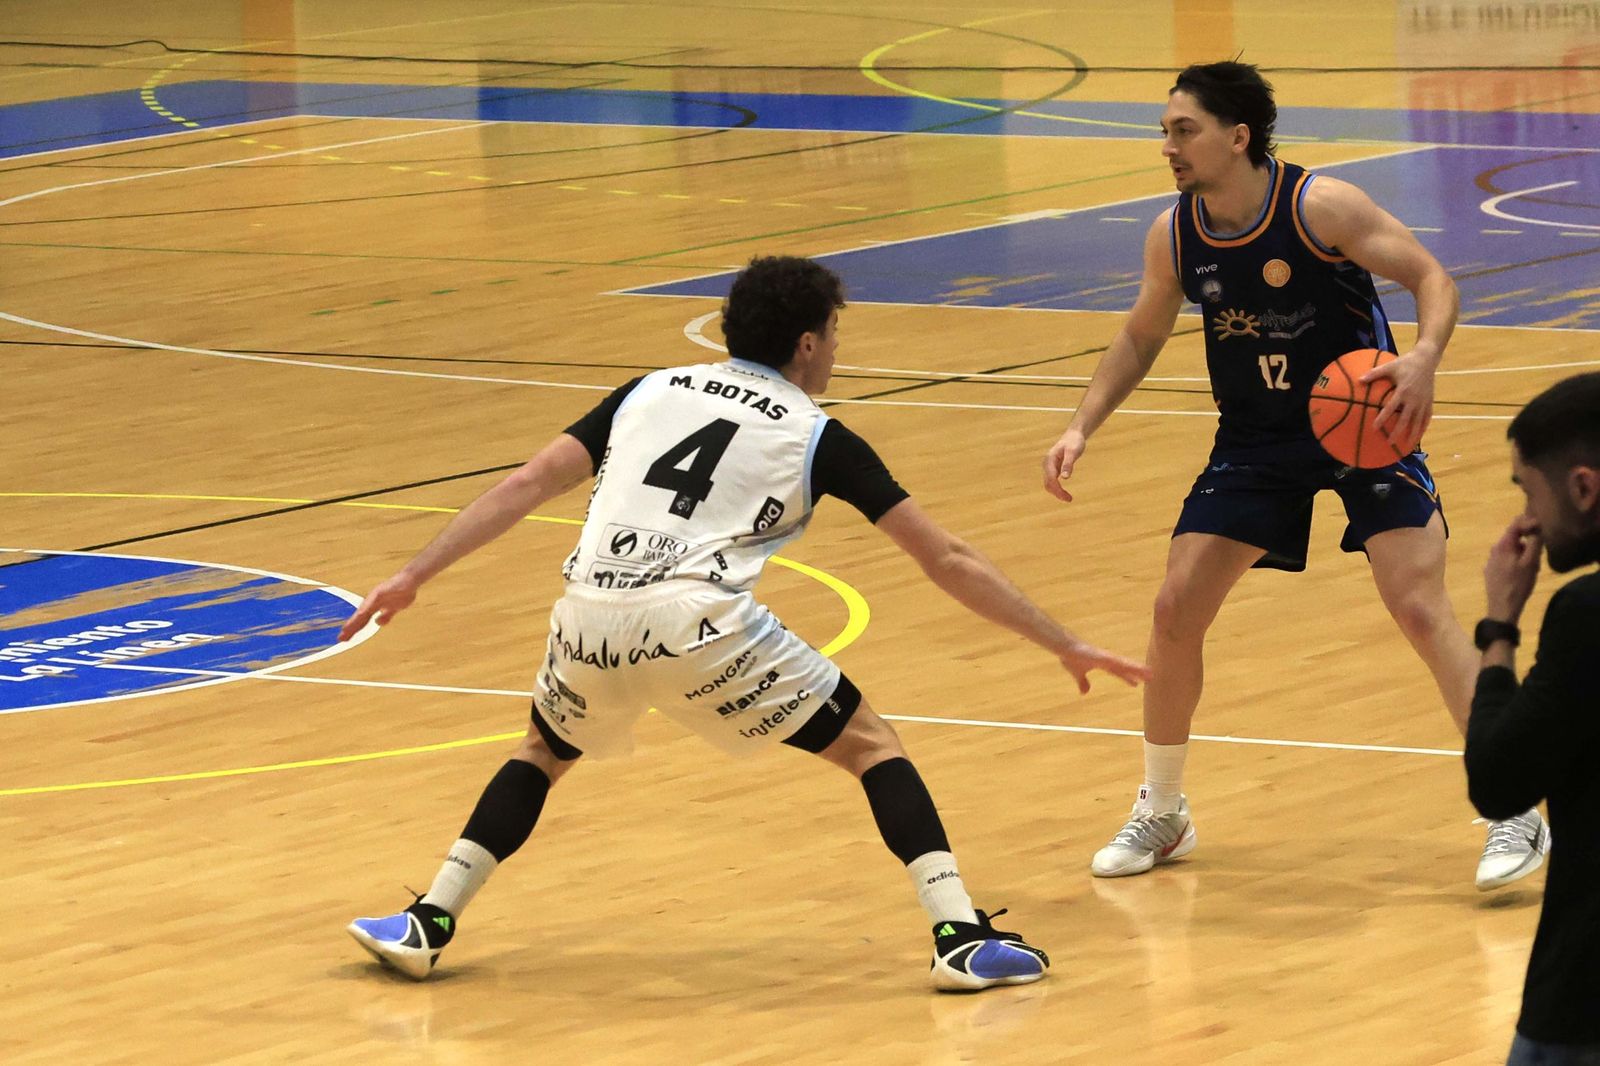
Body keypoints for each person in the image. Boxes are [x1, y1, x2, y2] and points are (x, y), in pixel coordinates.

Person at [342, 255, 1149, 991]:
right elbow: (947, 560)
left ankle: (429, 920)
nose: (835, 352)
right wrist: (1062, 641)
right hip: (698, 625)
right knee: (873, 746)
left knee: (543, 753)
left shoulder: (647, 389)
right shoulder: (816, 434)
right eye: (835, 336)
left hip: (587, 612)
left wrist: (412, 575)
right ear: (806, 344)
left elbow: (526, 484)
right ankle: (957, 935)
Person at [1040, 60, 1547, 888]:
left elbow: (1433, 279)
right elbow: (1139, 336)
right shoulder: (1174, 233)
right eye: (1165, 130)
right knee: (1174, 608)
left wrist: (1420, 359)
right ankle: (1164, 811)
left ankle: (1514, 811)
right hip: (1256, 439)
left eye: (1183, 130)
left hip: (1366, 426)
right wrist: (1080, 424)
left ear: (1237, 137)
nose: (1167, 146)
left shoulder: (1320, 207)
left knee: (1419, 609)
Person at [1466, 373, 1600, 1065]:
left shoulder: (1585, 617)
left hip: (1583, 997)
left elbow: (1498, 780)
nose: (1526, 521)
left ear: (1584, 488)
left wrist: (1499, 628)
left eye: (1527, 491)